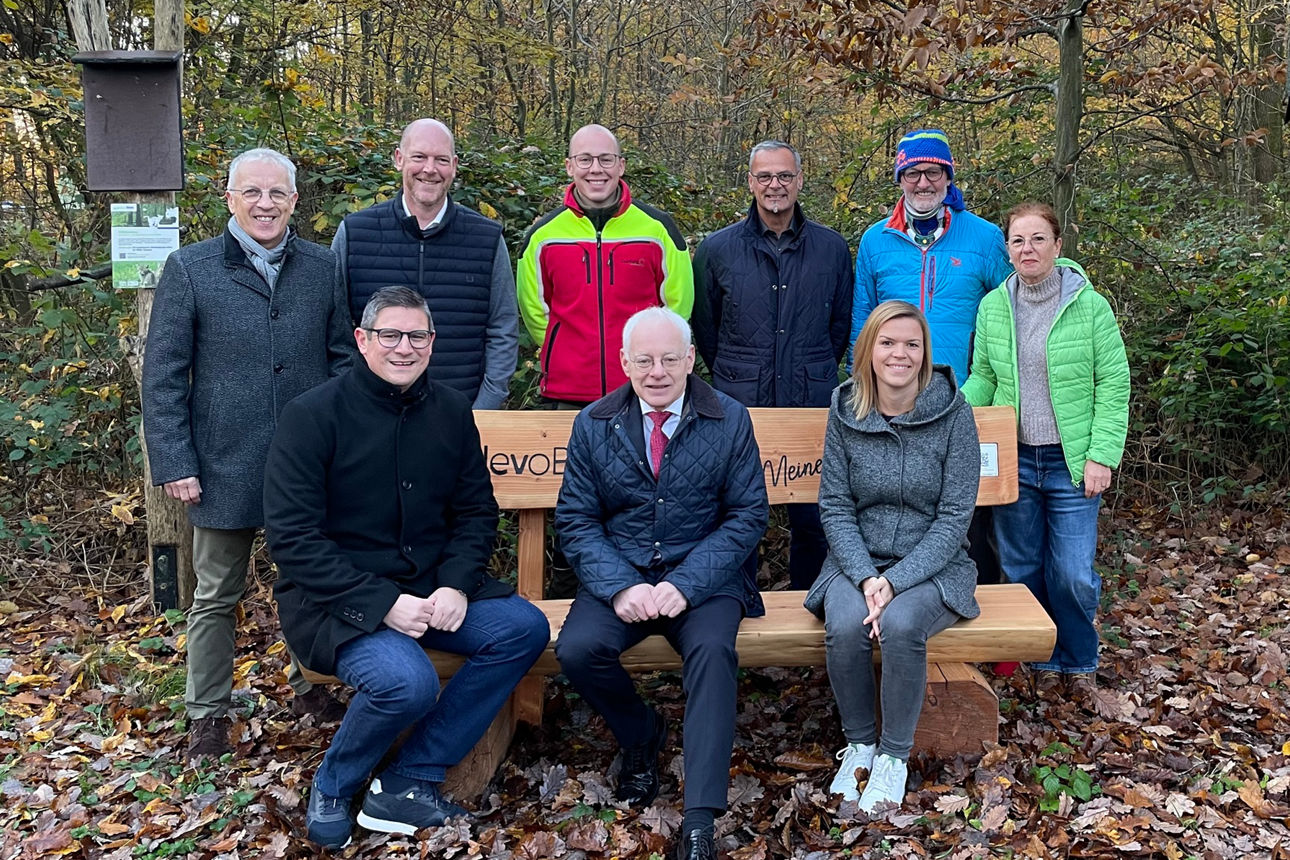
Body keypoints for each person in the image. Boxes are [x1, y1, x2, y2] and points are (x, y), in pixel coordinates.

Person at [263, 286, 550, 849]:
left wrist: (455, 583)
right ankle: (336, 781)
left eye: (416, 336)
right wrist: (381, 603)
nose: (404, 347)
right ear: (363, 341)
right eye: (390, 335)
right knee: (406, 683)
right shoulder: (312, 415)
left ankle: (408, 779)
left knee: (524, 629)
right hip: (338, 599)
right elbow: (293, 539)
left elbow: (475, 510)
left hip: (430, 587)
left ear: (432, 342)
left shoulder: (448, 409)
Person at [141, 147, 355, 763]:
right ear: (230, 198)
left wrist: (342, 444)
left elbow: (343, 358)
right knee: (215, 595)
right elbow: (163, 376)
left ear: (294, 201)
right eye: (253, 193)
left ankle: (307, 687)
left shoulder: (320, 267)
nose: (266, 205)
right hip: (220, 464)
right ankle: (207, 713)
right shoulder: (191, 268)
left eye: (278, 194)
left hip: (306, 466)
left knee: (311, 583)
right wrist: (174, 461)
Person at [553, 307, 767, 860]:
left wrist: (688, 584)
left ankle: (699, 819)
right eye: (644, 360)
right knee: (577, 649)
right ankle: (641, 733)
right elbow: (576, 520)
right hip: (622, 574)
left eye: (670, 358)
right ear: (624, 363)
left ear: (690, 359)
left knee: (714, 650)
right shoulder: (594, 423)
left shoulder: (730, 419)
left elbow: (747, 516)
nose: (657, 371)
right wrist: (621, 585)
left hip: (706, 578)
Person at [804, 300, 981, 813]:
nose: (899, 353)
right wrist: (864, 576)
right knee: (844, 622)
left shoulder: (953, 413)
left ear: (925, 353)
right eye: (887, 342)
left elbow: (954, 517)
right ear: (869, 349)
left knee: (901, 625)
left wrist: (895, 581)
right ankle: (860, 743)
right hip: (856, 559)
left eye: (911, 344)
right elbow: (834, 505)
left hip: (935, 563)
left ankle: (893, 757)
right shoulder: (845, 409)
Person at [961, 202, 1130, 702]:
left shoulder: (1088, 305)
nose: (1027, 249)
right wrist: (951, 412)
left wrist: (1103, 454)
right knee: (1020, 568)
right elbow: (986, 378)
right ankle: (1033, 656)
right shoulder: (994, 305)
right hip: (1015, 461)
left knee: (1072, 572)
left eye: (1038, 239)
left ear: (1058, 246)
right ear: (1006, 249)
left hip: (1072, 461)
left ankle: (1076, 657)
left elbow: (1114, 383)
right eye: (1017, 240)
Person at [852, 128, 1012, 586]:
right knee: (901, 509)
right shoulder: (875, 241)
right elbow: (861, 323)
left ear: (948, 177)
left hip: (964, 399)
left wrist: (999, 389)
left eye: (933, 172)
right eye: (913, 173)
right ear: (900, 179)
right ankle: (903, 610)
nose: (923, 183)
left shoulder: (984, 238)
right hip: (891, 404)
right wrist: (857, 390)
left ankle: (983, 633)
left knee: (975, 520)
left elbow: (1011, 309)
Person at [692, 139, 852, 590]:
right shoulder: (718, 249)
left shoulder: (832, 249)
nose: (775, 185)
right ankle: (738, 612)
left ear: (800, 181)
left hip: (811, 405)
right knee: (738, 519)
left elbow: (838, 325)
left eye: (784, 176)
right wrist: (737, 373)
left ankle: (811, 613)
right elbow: (707, 330)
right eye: (765, 176)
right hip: (740, 407)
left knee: (815, 520)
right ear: (750, 182)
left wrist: (812, 369)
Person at [331, 118, 517, 409]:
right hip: (368, 414)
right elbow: (335, 328)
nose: (430, 169)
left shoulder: (487, 239)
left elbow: (503, 328)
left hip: (461, 412)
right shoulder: (355, 233)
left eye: (441, 160)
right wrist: (350, 400)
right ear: (398, 159)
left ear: (454, 166)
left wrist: (485, 408)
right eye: (419, 157)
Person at [517, 124, 694, 407]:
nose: (595, 169)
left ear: (621, 165)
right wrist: (562, 350)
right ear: (569, 167)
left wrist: (652, 360)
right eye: (585, 159)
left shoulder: (658, 229)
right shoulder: (543, 236)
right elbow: (536, 313)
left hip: (643, 391)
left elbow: (678, 307)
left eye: (606, 159)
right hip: (567, 392)